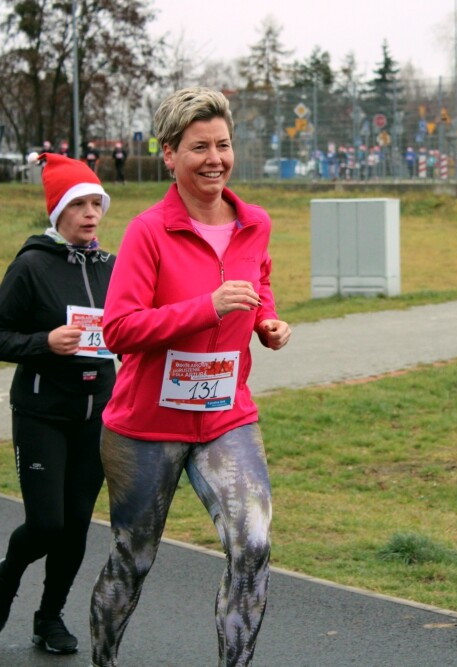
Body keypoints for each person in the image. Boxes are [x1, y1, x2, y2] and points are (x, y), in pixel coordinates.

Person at [89, 86, 291, 667]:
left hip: (226, 415)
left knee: (252, 544)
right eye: (198, 147)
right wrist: (209, 307)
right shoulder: (148, 231)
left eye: (223, 145)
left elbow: (259, 280)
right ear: (170, 153)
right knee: (134, 559)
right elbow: (119, 329)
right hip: (146, 426)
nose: (215, 159)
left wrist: (267, 321)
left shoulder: (255, 223)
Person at [0, 152, 115, 656]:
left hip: (96, 412)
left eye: (97, 202)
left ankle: (49, 617)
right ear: (58, 211)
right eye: (79, 204)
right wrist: (43, 343)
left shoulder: (113, 267)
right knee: (46, 524)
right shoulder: (32, 266)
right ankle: (7, 575)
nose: (91, 213)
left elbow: (135, 326)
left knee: (77, 524)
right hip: (42, 412)